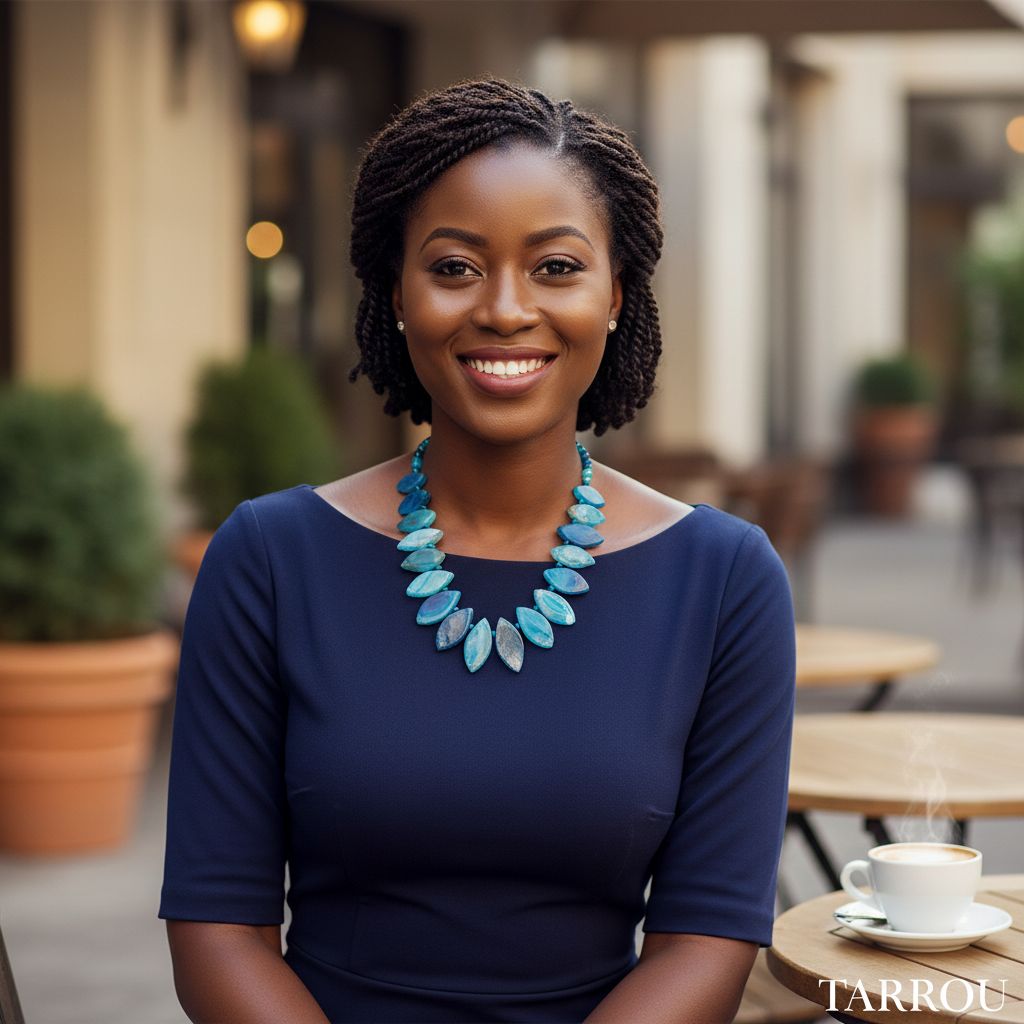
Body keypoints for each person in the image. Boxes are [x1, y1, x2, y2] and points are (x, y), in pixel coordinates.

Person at [159, 77, 796, 1024]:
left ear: (615, 296)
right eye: (455, 266)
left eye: (555, 267)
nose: (503, 309)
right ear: (397, 294)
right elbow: (216, 928)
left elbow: (708, 936)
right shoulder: (267, 559)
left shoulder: (726, 580)